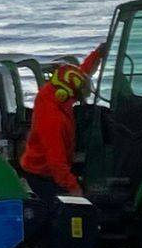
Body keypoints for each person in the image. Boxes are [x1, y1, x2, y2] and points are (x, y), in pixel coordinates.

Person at [20, 50, 101, 199]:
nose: (76, 101)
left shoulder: (54, 91)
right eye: (76, 98)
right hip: (43, 175)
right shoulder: (53, 119)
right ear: (64, 94)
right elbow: (56, 163)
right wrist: (74, 188)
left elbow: (81, 72)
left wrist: (98, 54)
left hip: (52, 170)